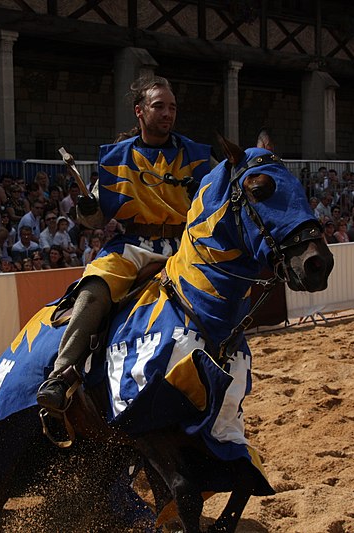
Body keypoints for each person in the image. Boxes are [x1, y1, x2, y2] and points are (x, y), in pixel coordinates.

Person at [36, 75, 212, 410]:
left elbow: (219, 199)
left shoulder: (198, 157)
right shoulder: (118, 159)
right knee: (94, 288)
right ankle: (61, 375)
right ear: (140, 111)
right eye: (159, 106)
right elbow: (96, 219)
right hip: (133, 247)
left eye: (172, 107)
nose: (167, 113)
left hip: (185, 247)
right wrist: (87, 208)